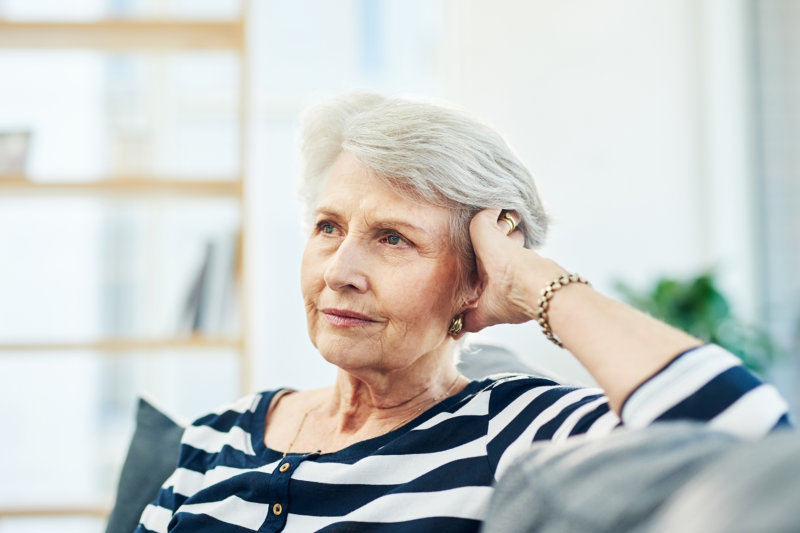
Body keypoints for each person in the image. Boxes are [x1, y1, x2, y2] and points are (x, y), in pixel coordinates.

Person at [135, 93, 790, 533]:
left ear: (472, 281)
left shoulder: (513, 427)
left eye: (395, 238)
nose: (339, 271)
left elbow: (750, 434)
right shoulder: (216, 436)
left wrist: (529, 278)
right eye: (328, 226)